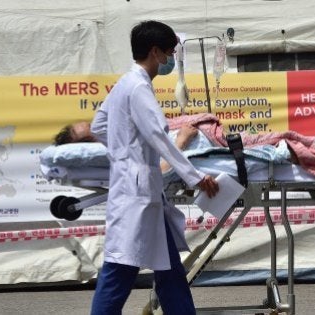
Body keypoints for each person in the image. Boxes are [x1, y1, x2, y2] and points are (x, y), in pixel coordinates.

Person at [89, 20, 219, 315]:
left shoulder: (125, 83)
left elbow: (99, 125)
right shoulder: (138, 89)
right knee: (119, 270)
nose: (171, 59)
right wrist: (195, 177)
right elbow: (160, 137)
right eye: (170, 53)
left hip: (138, 187)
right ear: (155, 52)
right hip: (138, 191)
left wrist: (124, 150)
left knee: (170, 269)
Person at [53, 121, 199, 174]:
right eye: (93, 128)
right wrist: (181, 140)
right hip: (204, 148)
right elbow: (159, 174)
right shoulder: (123, 157)